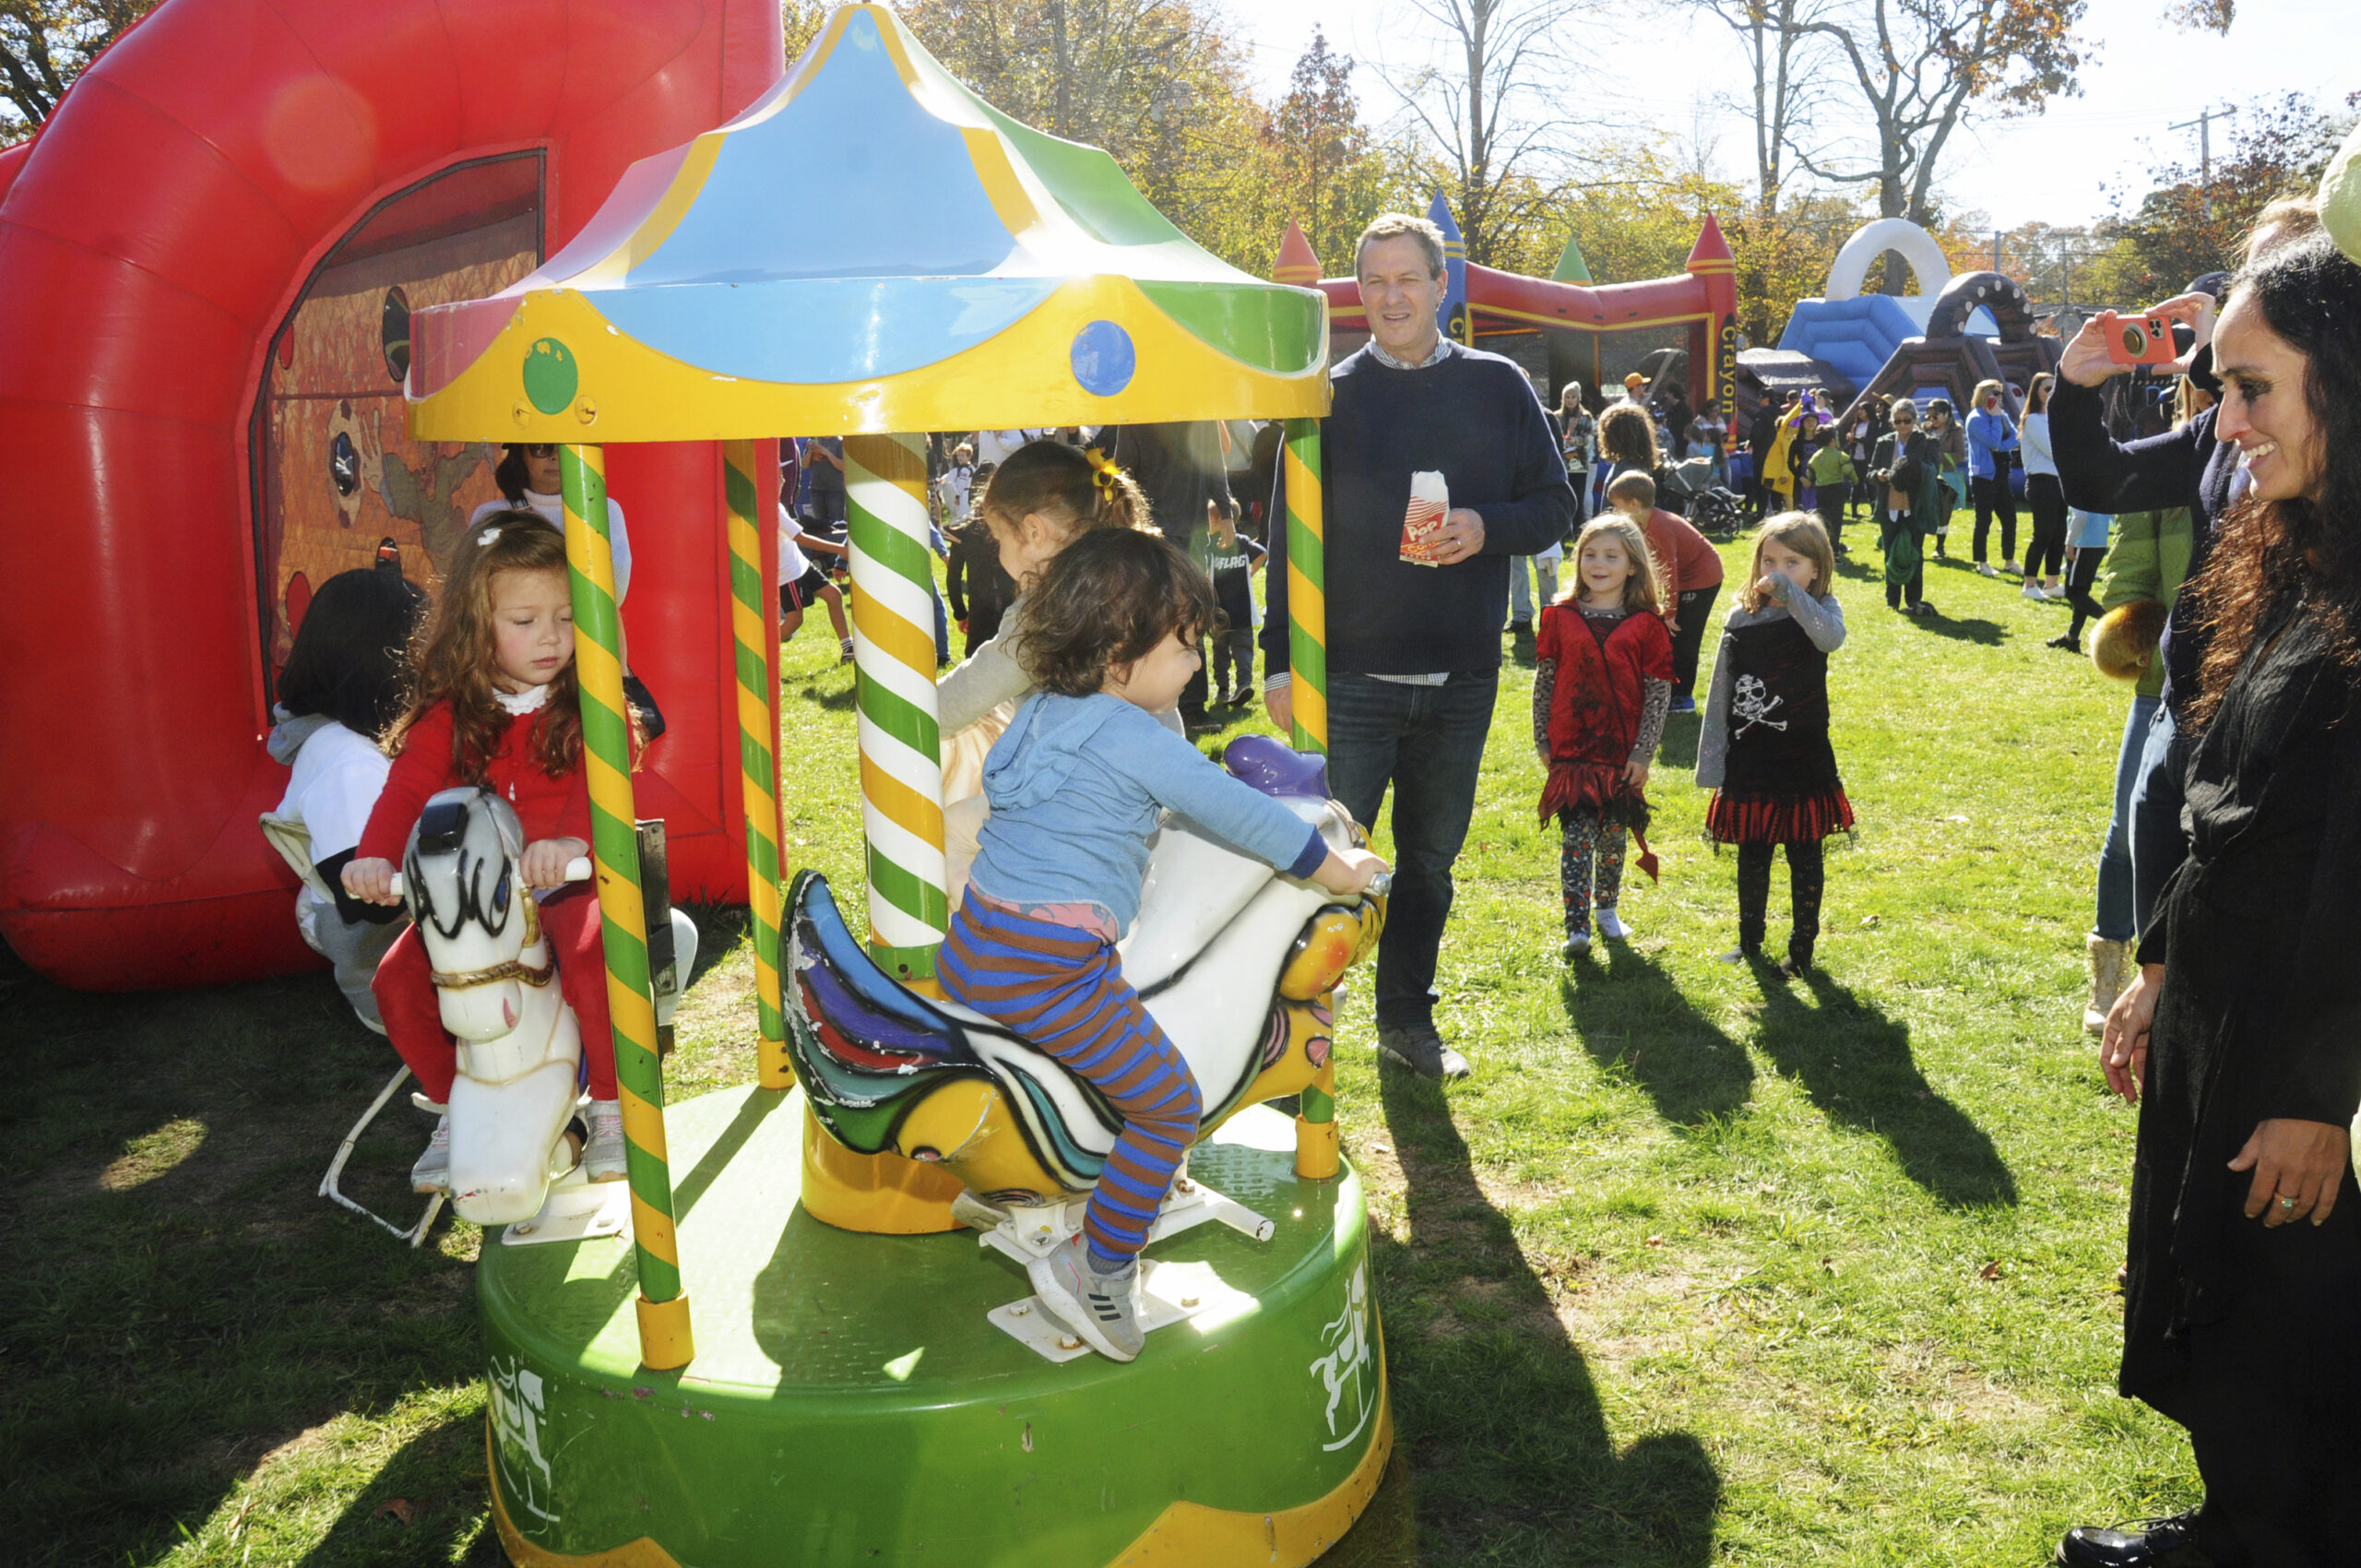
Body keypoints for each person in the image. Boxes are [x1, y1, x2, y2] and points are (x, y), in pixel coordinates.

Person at [2069, 229, 2361, 1568]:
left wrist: (2320, 1094)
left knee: (2290, 1316)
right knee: (2223, 1301)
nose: (2225, 420)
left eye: (2255, 389)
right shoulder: (2289, 551)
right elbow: (2228, 800)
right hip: (2224, 998)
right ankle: (2233, 1525)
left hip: (2299, 1038)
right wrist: (2162, 965)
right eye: (2218, 387)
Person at [941, 529, 1385, 1360]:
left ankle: (1046, 1174)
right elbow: (1238, 813)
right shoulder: (1135, 735)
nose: (1193, 666)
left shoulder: (1040, 709)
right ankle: (1098, 1268)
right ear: (1117, 653)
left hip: (978, 945)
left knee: (1114, 1052)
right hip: (1051, 970)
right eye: (1183, 650)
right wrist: (1335, 867)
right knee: (1171, 1103)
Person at [1261, 212, 1578, 1080]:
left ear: (1444, 286)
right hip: (1350, 677)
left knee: (1429, 864)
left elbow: (1557, 506)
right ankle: (1284, 1042)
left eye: (1409, 279)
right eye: (1375, 281)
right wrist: (1278, 659)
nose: (1392, 296)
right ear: (1357, 294)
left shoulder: (1500, 385)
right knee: (1316, 863)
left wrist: (1486, 525)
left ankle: (1406, 1022)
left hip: (1461, 677)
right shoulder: (1326, 393)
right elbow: (1291, 534)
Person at [341, 521, 626, 1194]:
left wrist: (572, 842)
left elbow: (612, 779)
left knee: (591, 957)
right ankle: (452, 1107)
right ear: (477, 623)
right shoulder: (453, 712)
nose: (552, 637)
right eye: (526, 620)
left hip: (569, 884)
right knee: (396, 981)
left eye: (565, 617)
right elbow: (407, 787)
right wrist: (375, 858)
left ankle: (614, 1105)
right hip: (476, 900)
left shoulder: (592, 702)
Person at [266, 557, 429, 1032]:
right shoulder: (347, 763)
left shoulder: (346, 743)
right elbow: (365, 902)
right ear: (384, 661)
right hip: (397, 976)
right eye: (422, 652)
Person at [1697, 514, 1850, 976]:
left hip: (1802, 756)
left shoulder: (1823, 609)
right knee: (1753, 852)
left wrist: (1794, 597)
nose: (1777, 569)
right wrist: (1712, 762)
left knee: (1805, 854)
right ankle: (1749, 940)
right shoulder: (1741, 617)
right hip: (1751, 757)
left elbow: (1830, 638)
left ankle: (1801, 950)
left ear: (1816, 569)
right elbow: (1720, 692)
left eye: (1792, 561)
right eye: (1769, 559)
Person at [938, 440, 1164, 742]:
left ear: (1034, 532)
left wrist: (908, 714)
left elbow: (973, 689)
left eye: (999, 539)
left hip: (1082, 776)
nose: (999, 554)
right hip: (1157, 746)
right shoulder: (1130, 581)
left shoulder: (1046, 612)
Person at [1534, 516, 1673, 961]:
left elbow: (1657, 691)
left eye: (1611, 556)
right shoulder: (1559, 616)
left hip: (1620, 752)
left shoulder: (1647, 626)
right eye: (1590, 554)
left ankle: (1607, 907)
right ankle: (1575, 925)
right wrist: (1542, 738)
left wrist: (1644, 751)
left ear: (1632, 566)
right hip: (1573, 750)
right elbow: (1545, 679)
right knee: (1576, 835)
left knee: (1613, 836)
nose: (1599, 563)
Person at [470, 443, 661, 735]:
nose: (556, 457)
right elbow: (479, 593)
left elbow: (614, 589)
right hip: (513, 662)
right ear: (520, 453)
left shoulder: (604, 509)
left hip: (585, 652)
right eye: (541, 448)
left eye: (566, 446)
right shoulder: (491, 513)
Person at [1108, 421, 1236, 732]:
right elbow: (1123, 472)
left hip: (1181, 533)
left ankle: (1190, 706)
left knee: (1187, 618)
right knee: (1156, 619)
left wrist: (1227, 512)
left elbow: (1213, 463)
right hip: (1150, 533)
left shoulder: (1199, 409)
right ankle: (1156, 703)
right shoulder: (1137, 414)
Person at [1604, 470, 1722, 711]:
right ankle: (1663, 689)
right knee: (1666, 637)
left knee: (1684, 636)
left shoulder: (1660, 526)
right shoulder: (1641, 524)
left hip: (1701, 579)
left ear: (1634, 504)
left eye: (1617, 507)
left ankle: (1682, 696)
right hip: (1684, 578)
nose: (1615, 513)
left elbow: (1669, 572)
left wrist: (1669, 612)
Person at [1869, 398, 1942, 617]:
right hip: (1889, 506)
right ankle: (1892, 601)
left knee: (1915, 554)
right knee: (1890, 552)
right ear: (1892, 421)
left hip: (1915, 506)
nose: (1903, 426)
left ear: (1915, 420)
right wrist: (1879, 476)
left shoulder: (1927, 441)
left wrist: (1913, 466)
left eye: (1907, 421)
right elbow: (1870, 473)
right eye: (1898, 421)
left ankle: (1914, 600)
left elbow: (1932, 468)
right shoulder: (1883, 442)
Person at [777, 503, 853, 662]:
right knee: (794, 620)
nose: (783, 481)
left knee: (834, 595)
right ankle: (762, 650)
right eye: (779, 478)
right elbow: (801, 538)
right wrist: (839, 549)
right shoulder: (772, 508)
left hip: (800, 564)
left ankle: (848, 648)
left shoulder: (777, 505)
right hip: (788, 572)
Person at [1205, 505, 1264, 707]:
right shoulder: (1242, 541)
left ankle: (1232, 688)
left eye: (1210, 519)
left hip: (1222, 612)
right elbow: (1262, 554)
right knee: (1240, 649)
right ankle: (1239, 685)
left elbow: (1262, 554)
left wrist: (1250, 574)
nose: (1208, 523)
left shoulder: (1213, 544)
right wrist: (1251, 572)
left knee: (1223, 650)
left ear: (1222, 521)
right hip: (1235, 610)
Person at [1964, 378, 2023, 576]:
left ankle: (2009, 561)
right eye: (1995, 393)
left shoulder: (2003, 414)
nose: (1999, 397)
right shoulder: (1976, 418)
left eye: (2000, 393)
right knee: (1984, 520)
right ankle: (1981, 562)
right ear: (1983, 395)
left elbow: (2015, 438)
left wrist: (2000, 446)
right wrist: (1996, 418)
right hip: (1983, 476)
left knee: (2009, 518)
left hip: (2002, 472)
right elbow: (1992, 441)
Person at [944, 505, 1016, 661]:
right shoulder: (1014, 524)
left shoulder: (964, 530)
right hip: (1013, 606)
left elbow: (953, 577)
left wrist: (960, 613)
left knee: (977, 663)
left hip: (980, 610)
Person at [2019, 374, 2068, 600]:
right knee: (2044, 533)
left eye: (2054, 388)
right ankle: (2029, 585)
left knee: (2059, 533)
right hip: (2041, 482)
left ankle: (2052, 583)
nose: (2051, 393)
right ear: (2036, 392)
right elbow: (2053, 449)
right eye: (2047, 389)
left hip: (2059, 482)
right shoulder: (2033, 419)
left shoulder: (2057, 417)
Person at [2051, 505, 2116, 654]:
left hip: (2083, 544)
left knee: (2073, 593)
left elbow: (2080, 516)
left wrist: (2070, 542)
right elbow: (2112, 513)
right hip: (2099, 544)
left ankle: (2109, 621)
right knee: (2081, 592)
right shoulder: (2100, 486)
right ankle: (2071, 637)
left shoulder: (2079, 486)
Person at [1924, 399, 1965, 557]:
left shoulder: (1956, 431)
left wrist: (1937, 457)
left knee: (1943, 513)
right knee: (1924, 509)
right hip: (1927, 475)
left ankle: (1940, 547)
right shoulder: (1925, 429)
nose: (1932, 421)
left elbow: (1960, 455)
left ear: (1946, 414)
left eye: (1935, 417)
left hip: (1946, 476)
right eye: (1930, 417)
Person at [1806, 428, 1857, 551]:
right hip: (1836, 490)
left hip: (1820, 491)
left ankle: (1823, 547)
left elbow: (1810, 474)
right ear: (1833, 440)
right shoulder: (1839, 456)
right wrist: (1856, 481)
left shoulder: (1815, 457)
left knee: (1823, 520)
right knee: (1836, 521)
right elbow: (1848, 471)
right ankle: (1835, 551)